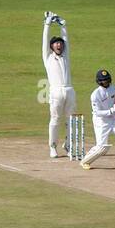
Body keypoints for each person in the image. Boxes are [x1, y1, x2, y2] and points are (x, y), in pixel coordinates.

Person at [80, 69, 115, 171]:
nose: (105, 82)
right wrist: (111, 111)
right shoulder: (95, 94)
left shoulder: (114, 89)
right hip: (101, 122)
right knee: (102, 148)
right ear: (99, 81)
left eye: (107, 79)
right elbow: (97, 112)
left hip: (113, 120)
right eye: (103, 80)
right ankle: (85, 161)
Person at [42, 12, 75, 159]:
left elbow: (66, 39)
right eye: (56, 43)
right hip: (55, 92)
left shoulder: (66, 56)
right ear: (52, 46)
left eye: (60, 42)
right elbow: (44, 42)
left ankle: (68, 146)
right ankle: (53, 146)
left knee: (71, 120)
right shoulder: (48, 58)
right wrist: (47, 24)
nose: (59, 44)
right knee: (55, 120)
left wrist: (64, 25)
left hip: (69, 90)